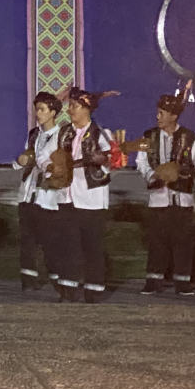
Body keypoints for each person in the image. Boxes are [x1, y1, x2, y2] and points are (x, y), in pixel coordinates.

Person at [136, 85, 195, 296]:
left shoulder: (189, 137)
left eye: (162, 113)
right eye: (158, 112)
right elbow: (141, 161)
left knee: (182, 240)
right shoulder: (148, 136)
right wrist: (153, 175)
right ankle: (153, 280)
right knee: (157, 239)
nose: (158, 116)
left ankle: (182, 281)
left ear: (173, 116)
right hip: (159, 198)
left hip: (182, 198)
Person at [56, 87, 119, 304]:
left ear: (86, 110)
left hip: (91, 198)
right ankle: (68, 290)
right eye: (70, 105)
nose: (70, 109)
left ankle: (93, 290)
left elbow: (114, 163)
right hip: (67, 196)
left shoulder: (101, 134)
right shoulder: (63, 132)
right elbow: (49, 157)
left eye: (75, 106)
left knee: (92, 246)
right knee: (67, 245)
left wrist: (104, 160)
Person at [13, 91, 63, 292]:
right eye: (36, 109)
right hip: (28, 192)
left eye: (42, 109)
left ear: (53, 112)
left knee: (49, 238)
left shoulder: (60, 136)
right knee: (27, 239)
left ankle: (56, 277)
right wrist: (21, 161)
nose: (38, 113)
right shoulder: (34, 134)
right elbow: (27, 156)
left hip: (47, 195)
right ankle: (28, 279)